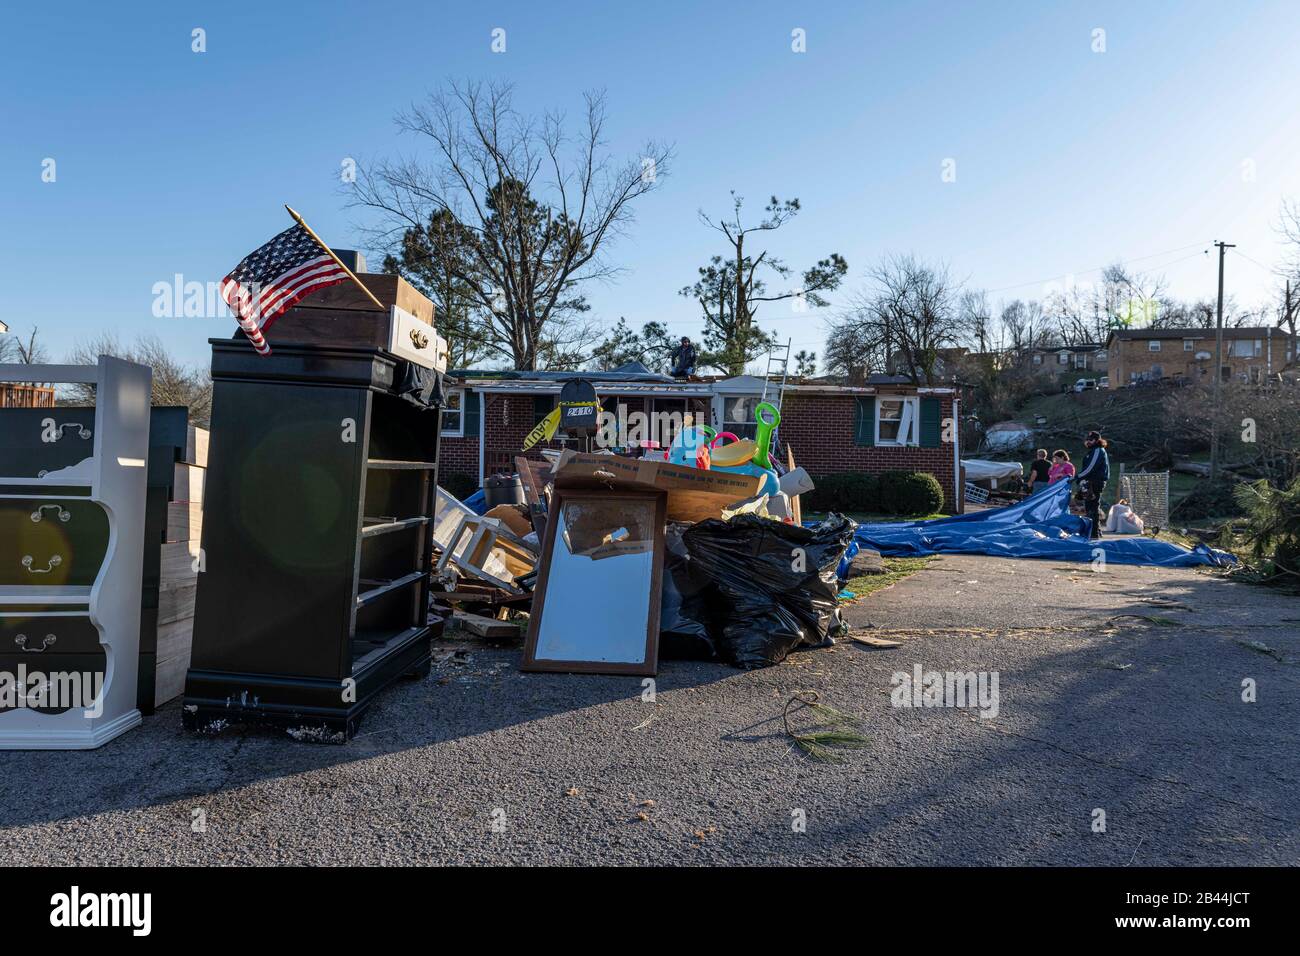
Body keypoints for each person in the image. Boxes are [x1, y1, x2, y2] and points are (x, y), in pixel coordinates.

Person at [1074, 430, 1111, 541]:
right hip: (1090, 482)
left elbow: (1090, 468)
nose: (1088, 442)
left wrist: (1077, 477)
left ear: (1097, 440)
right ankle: (1096, 531)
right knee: (1091, 507)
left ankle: (1093, 533)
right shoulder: (1092, 451)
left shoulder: (1097, 451)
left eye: (1091, 440)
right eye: (1087, 440)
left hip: (1095, 482)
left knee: (1092, 507)